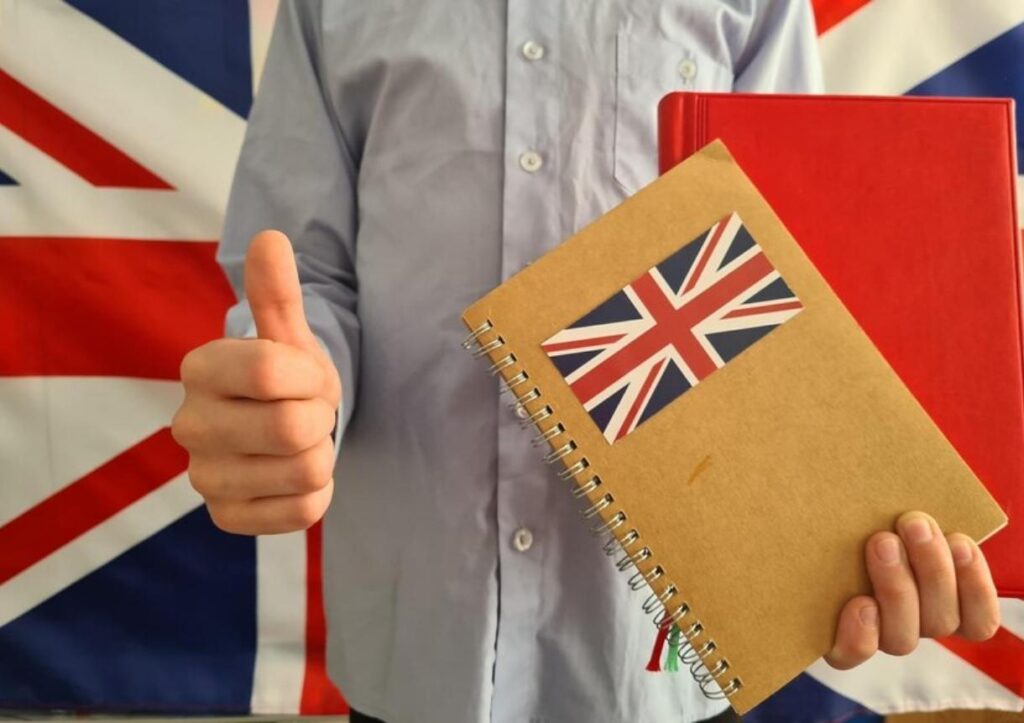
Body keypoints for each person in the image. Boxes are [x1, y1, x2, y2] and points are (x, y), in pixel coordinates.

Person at [170, 2, 1001, 722]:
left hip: (661, 648)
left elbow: (783, 280)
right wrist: (295, 390)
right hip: (419, 631)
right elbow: (307, 272)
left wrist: (830, 539)